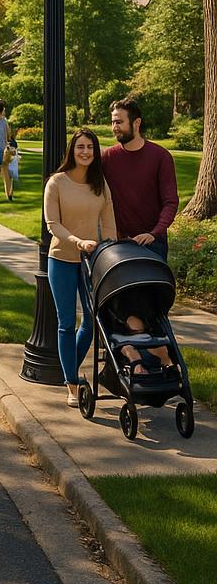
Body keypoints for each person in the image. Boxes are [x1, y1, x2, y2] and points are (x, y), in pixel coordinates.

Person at [43, 129, 118, 407]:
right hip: (62, 258)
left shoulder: (100, 183)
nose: (85, 152)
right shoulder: (57, 182)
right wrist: (78, 241)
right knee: (66, 323)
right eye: (80, 147)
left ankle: (69, 370)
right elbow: (53, 225)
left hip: (93, 261)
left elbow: (109, 221)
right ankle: (72, 384)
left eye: (90, 147)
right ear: (71, 151)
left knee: (91, 320)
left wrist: (109, 247)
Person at [102, 98, 178, 260]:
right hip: (117, 244)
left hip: (153, 244)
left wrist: (154, 233)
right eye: (113, 122)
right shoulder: (108, 157)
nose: (114, 128)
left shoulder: (161, 157)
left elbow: (170, 202)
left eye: (119, 122)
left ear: (136, 123)